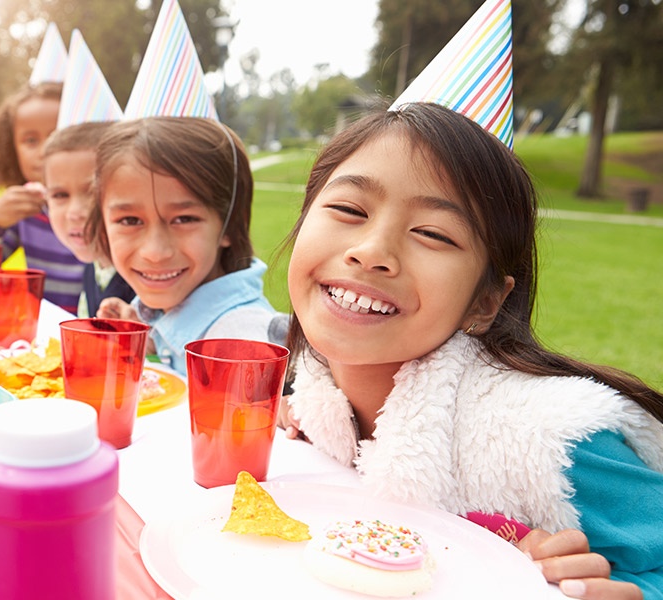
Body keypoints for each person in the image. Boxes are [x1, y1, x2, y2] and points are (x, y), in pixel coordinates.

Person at [279, 102, 663, 600]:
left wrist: (628, 590)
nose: (371, 251)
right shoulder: (309, 400)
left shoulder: (554, 439)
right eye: (350, 210)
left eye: (433, 234)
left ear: (485, 302)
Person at [90, 116, 277, 376]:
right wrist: (148, 340)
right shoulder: (161, 306)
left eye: (184, 219)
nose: (155, 253)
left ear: (229, 225)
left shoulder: (242, 346)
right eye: (130, 220)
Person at [0, 82, 84, 313]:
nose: (45, 149)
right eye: (30, 140)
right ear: (11, 150)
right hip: (45, 338)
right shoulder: (28, 212)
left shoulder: (108, 211)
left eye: (57, 135)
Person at [43, 121, 134, 318]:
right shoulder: (92, 269)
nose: (74, 213)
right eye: (60, 195)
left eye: (92, 193)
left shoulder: (148, 281)